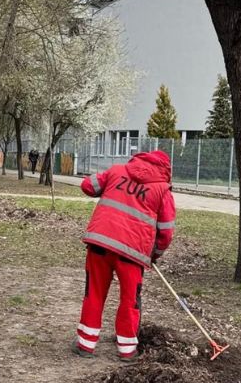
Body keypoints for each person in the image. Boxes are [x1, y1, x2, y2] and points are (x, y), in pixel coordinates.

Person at [75, 148, 176, 360]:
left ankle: (85, 344)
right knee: (130, 299)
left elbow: (87, 185)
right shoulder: (163, 190)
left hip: (100, 243)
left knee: (93, 292)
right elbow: (165, 232)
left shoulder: (116, 170)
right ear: (166, 169)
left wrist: (109, 182)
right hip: (132, 254)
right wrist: (154, 254)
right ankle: (127, 350)